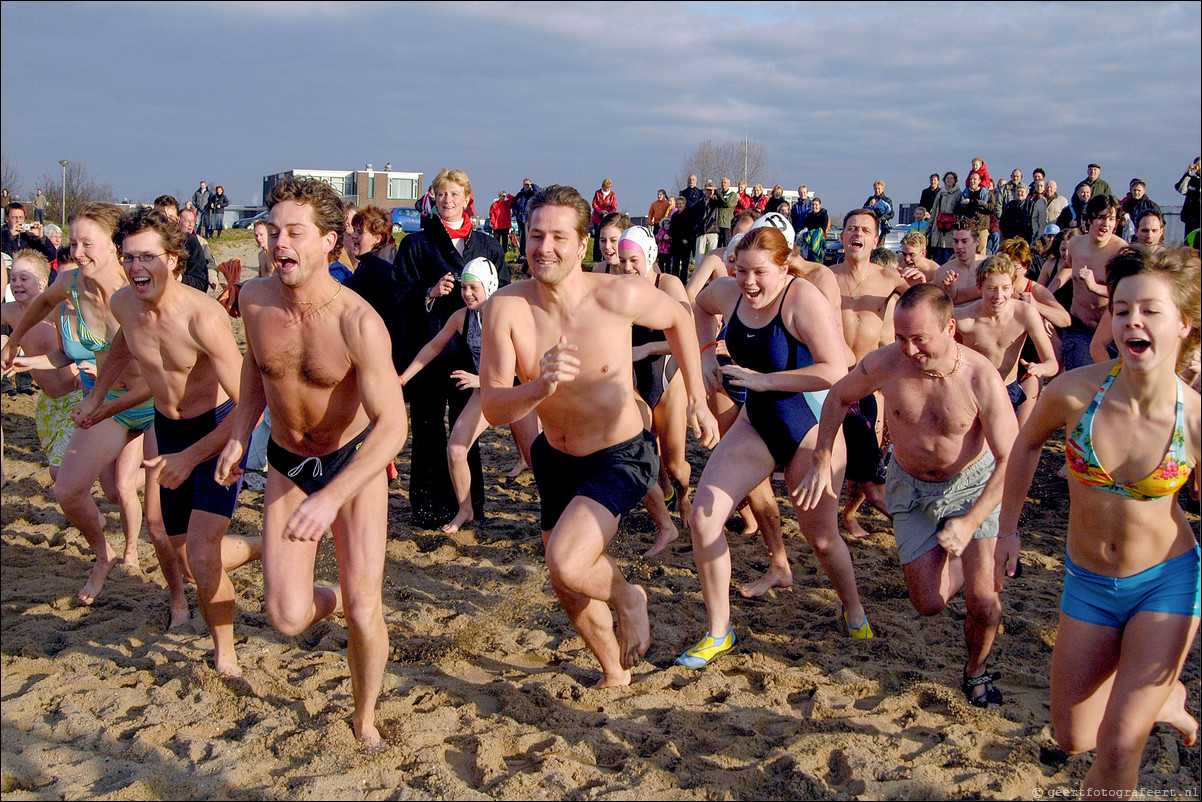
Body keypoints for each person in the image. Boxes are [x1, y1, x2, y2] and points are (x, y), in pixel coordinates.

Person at [478, 185, 719, 687]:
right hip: (555, 457)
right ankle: (615, 673)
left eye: (559, 237)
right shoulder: (505, 307)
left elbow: (678, 318)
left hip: (621, 455)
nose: (545, 248)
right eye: (536, 235)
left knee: (567, 560)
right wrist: (539, 386)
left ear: (583, 244)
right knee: (565, 580)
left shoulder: (617, 295)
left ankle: (630, 596)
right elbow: (493, 408)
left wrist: (696, 396)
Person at [998, 245, 1200, 795]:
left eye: (1151, 310)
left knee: (1117, 748)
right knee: (1074, 737)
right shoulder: (1074, 392)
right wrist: (1008, 530)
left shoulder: (1196, 417)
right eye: (1122, 308)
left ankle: (1144, 707)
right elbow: (1026, 447)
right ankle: (1165, 701)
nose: (1132, 320)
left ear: (1183, 323)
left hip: (1167, 582)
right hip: (1087, 581)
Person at [214, 176, 407, 747]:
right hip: (288, 460)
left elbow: (394, 426)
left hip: (352, 466)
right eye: (273, 231)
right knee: (288, 617)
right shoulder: (254, 299)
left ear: (328, 240)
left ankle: (364, 716)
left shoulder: (357, 321)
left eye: (294, 232)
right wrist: (237, 432)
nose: (280, 243)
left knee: (365, 612)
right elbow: (258, 369)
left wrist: (332, 497)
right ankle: (341, 593)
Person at [798, 283, 1019, 706]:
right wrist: (822, 456)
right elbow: (838, 396)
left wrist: (970, 523)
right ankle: (972, 564)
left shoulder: (979, 376)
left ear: (949, 328)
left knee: (983, 601)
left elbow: (1010, 460)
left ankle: (975, 671)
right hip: (910, 486)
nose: (909, 349)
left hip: (973, 485)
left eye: (920, 339)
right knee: (928, 603)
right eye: (900, 337)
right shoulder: (886, 363)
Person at [74, 207, 262, 675]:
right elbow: (124, 345)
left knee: (200, 556)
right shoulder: (123, 304)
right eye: (129, 257)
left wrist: (195, 455)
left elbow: (249, 405)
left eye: (149, 258)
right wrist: (99, 396)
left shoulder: (203, 317)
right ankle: (267, 545)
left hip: (217, 433)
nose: (138, 268)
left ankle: (225, 651)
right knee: (181, 550)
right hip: (168, 428)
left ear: (175, 259)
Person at [683, 224, 870, 670]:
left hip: (812, 427)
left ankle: (854, 608)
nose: (748, 282)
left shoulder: (802, 299)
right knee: (704, 517)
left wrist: (765, 381)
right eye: (740, 270)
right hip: (759, 422)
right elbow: (698, 305)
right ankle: (718, 631)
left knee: (822, 539)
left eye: (759, 273)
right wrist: (708, 351)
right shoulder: (729, 292)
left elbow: (836, 370)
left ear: (784, 268)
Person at [1, 202, 158, 608]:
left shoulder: (139, 285)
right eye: (73, 243)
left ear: (114, 246)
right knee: (70, 490)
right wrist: (14, 340)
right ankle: (104, 553)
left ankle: (174, 597)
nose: (78, 252)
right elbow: (36, 307)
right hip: (106, 403)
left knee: (152, 517)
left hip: (154, 402)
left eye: (88, 243)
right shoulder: (70, 283)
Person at [395, 168, 506, 529]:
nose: (448, 200)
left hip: (473, 357)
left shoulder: (487, 243)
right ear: (432, 198)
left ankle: (469, 505)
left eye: (455, 194)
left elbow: (505, 293)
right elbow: (398, 294)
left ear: (467, 199)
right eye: (441, 194)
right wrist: (429, 291)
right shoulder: (416, 244)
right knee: (427, 429)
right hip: (431, 349)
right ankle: (428, 506)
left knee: (465, 431)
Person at [400, 257, 533, 534]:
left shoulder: (507, 314)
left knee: (536, 460)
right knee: (456, 449)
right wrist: (403, 377)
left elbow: (516, 368)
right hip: (486, 391)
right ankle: (466, 509)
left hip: (518, 390)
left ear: (491, 287)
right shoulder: (462, 317)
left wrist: (480, 379)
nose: (467, 293)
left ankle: (554, 518)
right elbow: (433, 348)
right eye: (464, 288)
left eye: (474, 288)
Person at [831, 209, 926, 538]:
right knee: (826, 456)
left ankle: (850, 514)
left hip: (867, 383)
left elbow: (924, 309)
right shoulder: (826, 278)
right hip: (828, 379)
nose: (857, 233)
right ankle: (828, 519)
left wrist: (920, 284)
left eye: (864, 229)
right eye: (851, 228)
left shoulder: (889, 279)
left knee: (868, 464)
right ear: (842, 237)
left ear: (876, 240)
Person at [615, 226, 694, 557]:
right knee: (641, 447)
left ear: (649, 256)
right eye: (622, 261)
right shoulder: (617, 285)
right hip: (633, 380)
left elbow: (687, 332)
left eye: (633, 260)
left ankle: (685, 497)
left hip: (666, 374)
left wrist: (646, 350)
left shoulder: (668, 284)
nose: (627, 267)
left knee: (676, 465)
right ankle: (659, 513)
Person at [0, 249, 82, 479]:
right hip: (46, 403)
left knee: (59, 471)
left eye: (24, 278)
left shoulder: (56, 310)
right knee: (61, 468)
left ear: (43, 282)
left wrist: (78, 370)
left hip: (73, 397)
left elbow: (77, 345)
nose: (17, 284)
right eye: (13, 278)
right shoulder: (10, 311)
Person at [953, 254, 1059, 417]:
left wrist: (1040, 368)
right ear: (979, 287)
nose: (998, 296)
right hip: (973, 391)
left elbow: (1052, 363)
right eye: (991, 288)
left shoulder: (1025, 313)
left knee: (1008, 442)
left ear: (1013, 288)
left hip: (1008, 389)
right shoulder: (963, 319)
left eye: (1005, 288)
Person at [1061, 195, 1125, 371]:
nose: (1106, 224)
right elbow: (1066, 268)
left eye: (1111, 219)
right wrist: (1048, 295)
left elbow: (1126, 294)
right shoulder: (1075, 244)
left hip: (1108, 332)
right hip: (1078, 326)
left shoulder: (1121, 251)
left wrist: (1095, 287)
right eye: (1101, 218)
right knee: (1081, 380)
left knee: (1109, 380)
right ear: (1088, 220)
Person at [153, 195, 211, 293]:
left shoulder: (189, 242)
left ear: (178, 218)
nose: (166, 222)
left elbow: (201, 284)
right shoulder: (147, 243)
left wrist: (177, 277)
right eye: (161, 218)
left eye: (171, 217)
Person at [935, 219, 987, 304]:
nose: (959, 246)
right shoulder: (942, 272)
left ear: (977, 241)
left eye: (964, 241)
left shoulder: (989, 267)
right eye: (956, 241)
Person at [929, 172, 961, 264]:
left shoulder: (958, 193)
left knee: (949, 255)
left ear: (955, 180)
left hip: (951, 226)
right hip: (939, 226)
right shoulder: (941, 193)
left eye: (951, 178)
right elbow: (935, 209)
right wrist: (930, 224)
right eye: (947, 178)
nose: (949, 180)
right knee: (939, 255)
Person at [511, 179, 540, 265]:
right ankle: (522, 254)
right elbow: (514, 204)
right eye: (525, 185)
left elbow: (539, 191)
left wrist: (532, 185)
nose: (526, 186)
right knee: (522, 237)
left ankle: (529, 253)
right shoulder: (520, 195)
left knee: (528, 237)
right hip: (520, 218)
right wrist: (516, 214)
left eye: (528, 184)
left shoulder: (533, 194)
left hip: (529, 218)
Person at [590, 179, 617, 263]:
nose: (606, 189)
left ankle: (605, 257)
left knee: (606, 237)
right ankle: (596, 258)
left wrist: (608, 213)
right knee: (597, 238)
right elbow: (594, 204)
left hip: (607, 218)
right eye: (605, 187)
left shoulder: (612, 194)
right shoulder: (597, 193)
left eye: (608, 187)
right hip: (597, 218)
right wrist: (600, 211)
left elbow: (614, 206)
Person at [1175, 157, 1200, 237]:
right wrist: (1188, 173)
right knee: (1191, 243)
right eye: (1198, 165)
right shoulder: (1191, 180)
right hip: (1192, 219)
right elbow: (1181, 189)